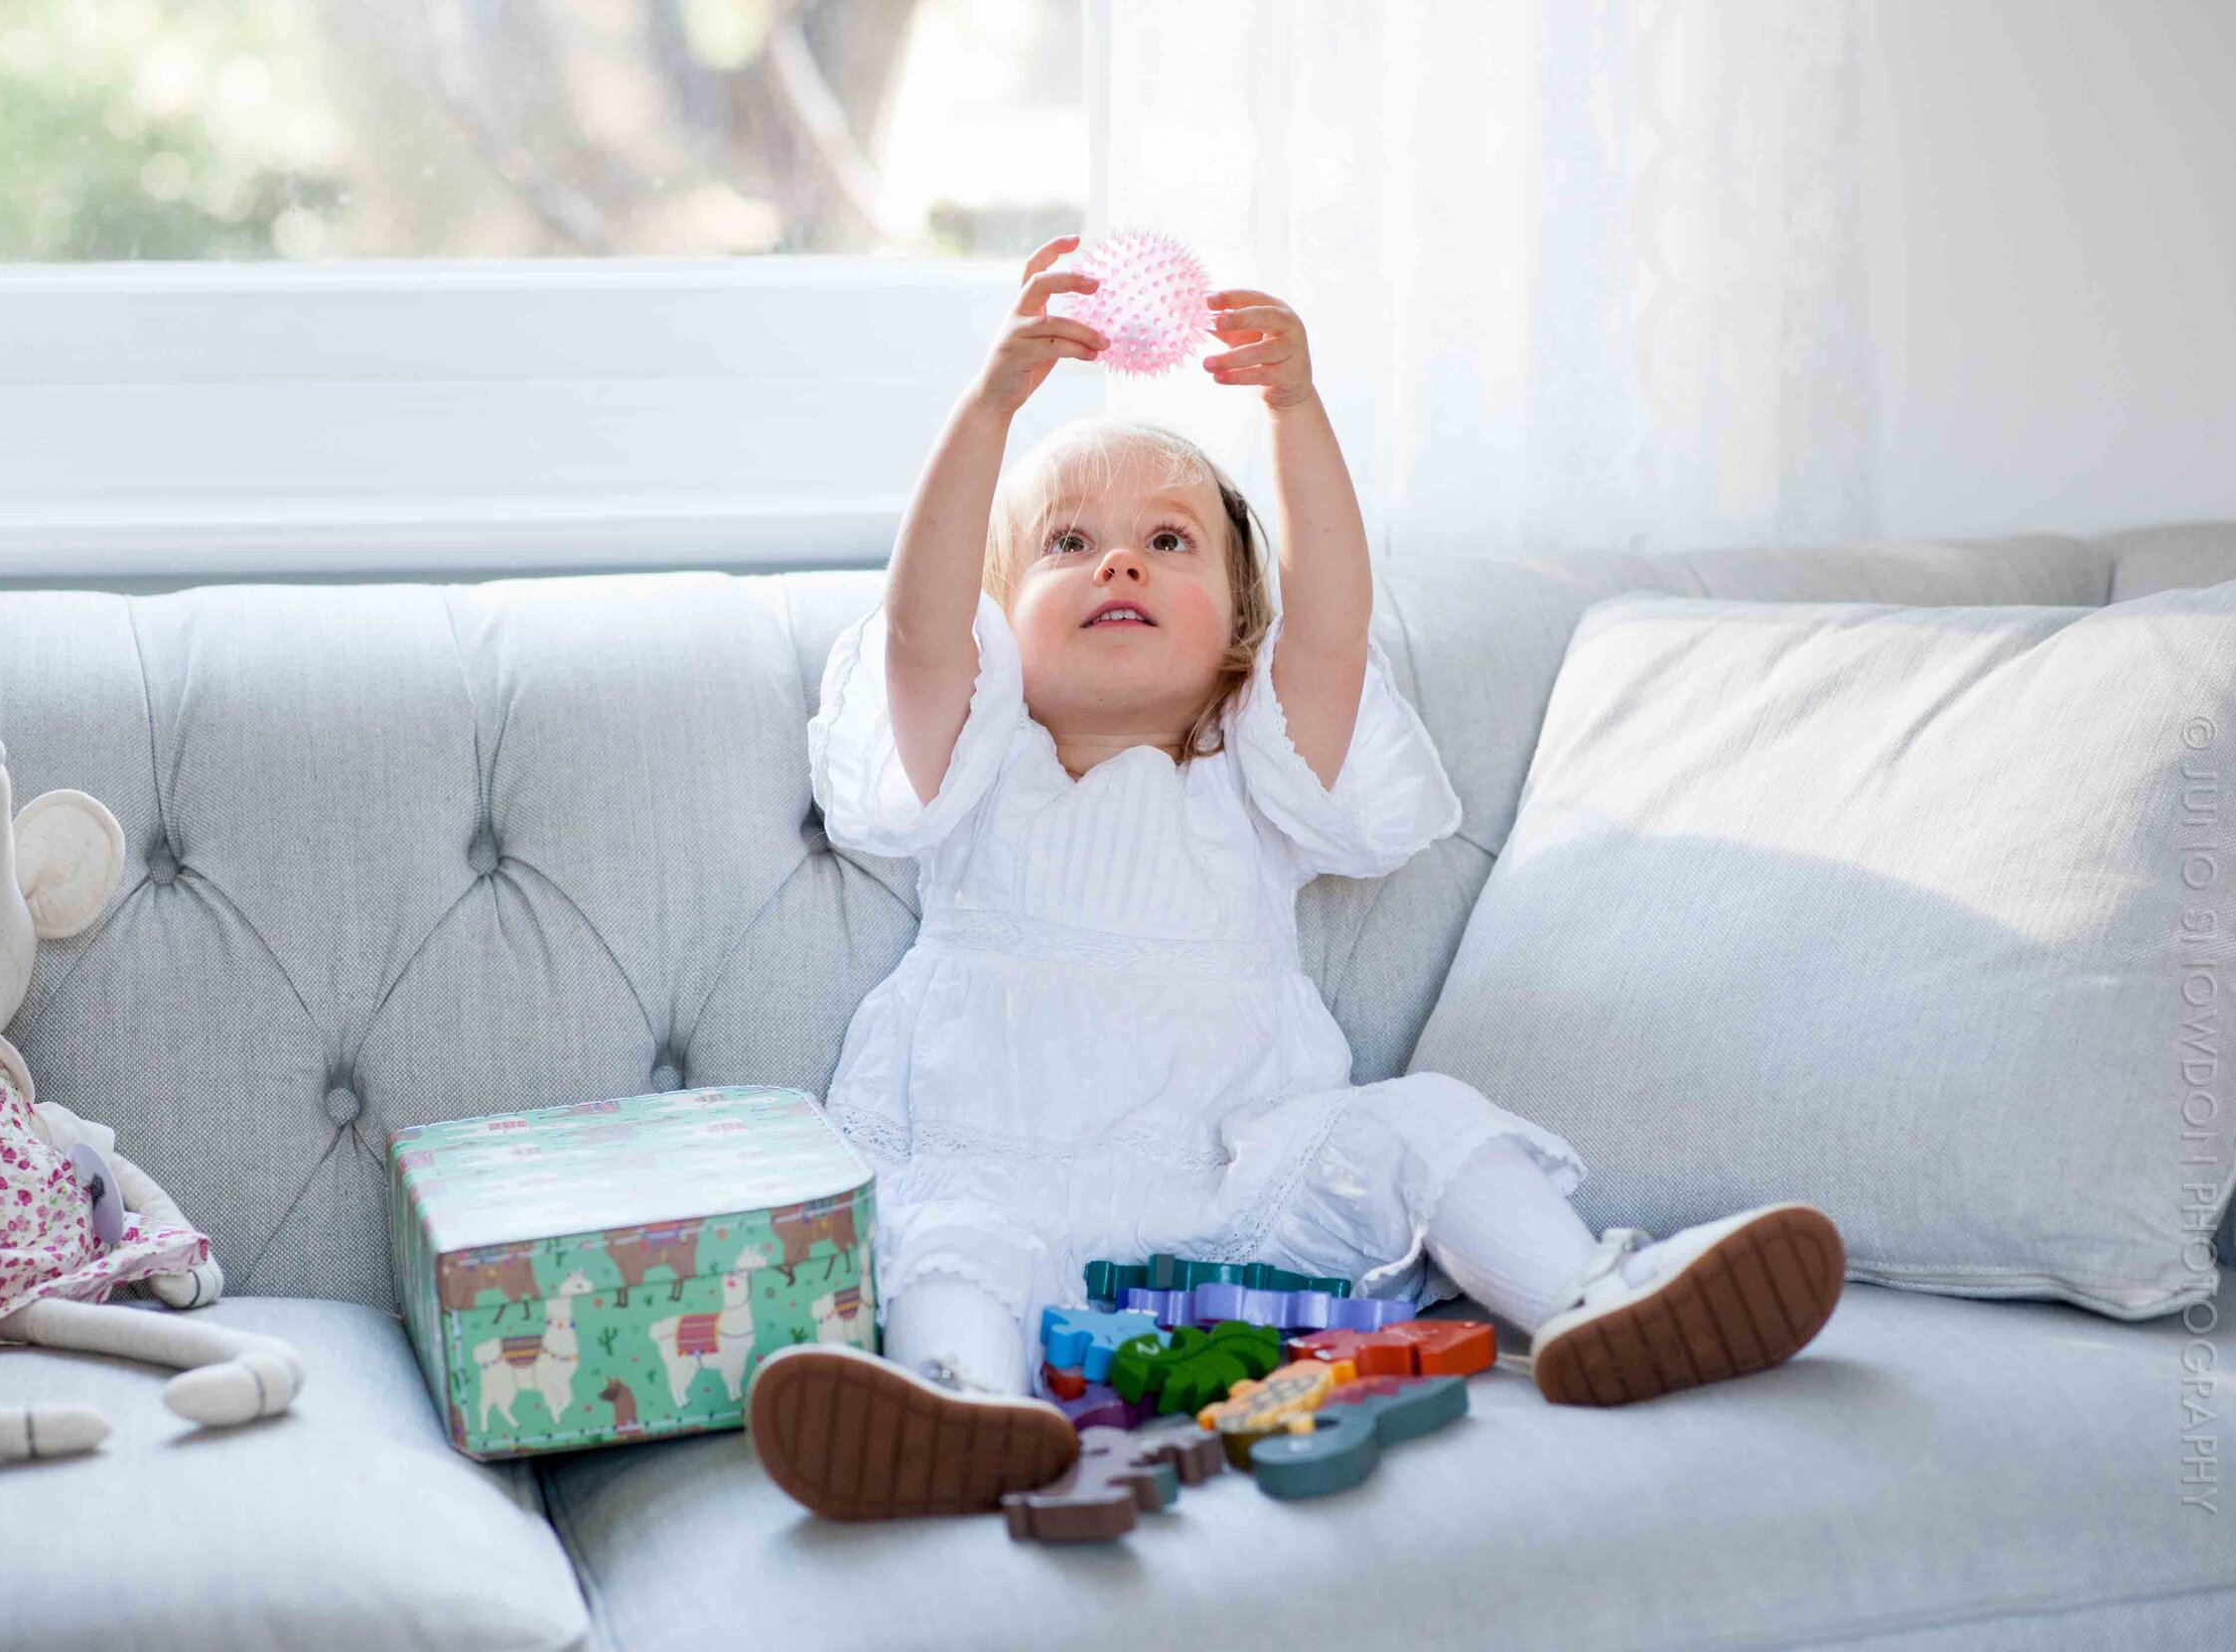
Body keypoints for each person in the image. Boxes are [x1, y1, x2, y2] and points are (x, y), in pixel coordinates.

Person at [746, 233, 1845, 1521]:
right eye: (1069, 543)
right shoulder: (975, 763)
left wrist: (1296, 409)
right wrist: (990, 407)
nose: (1121, 563)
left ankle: (1594, 1301)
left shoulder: (1254, 769)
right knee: (944, 1233)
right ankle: (963, 1407)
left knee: (1426, 1119)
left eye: (1169, 541)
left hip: (1238, 1183)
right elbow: (920, 630)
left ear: (1233, 634)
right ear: (1004, 622)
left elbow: (1327, 624)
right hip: (1009, 1167)